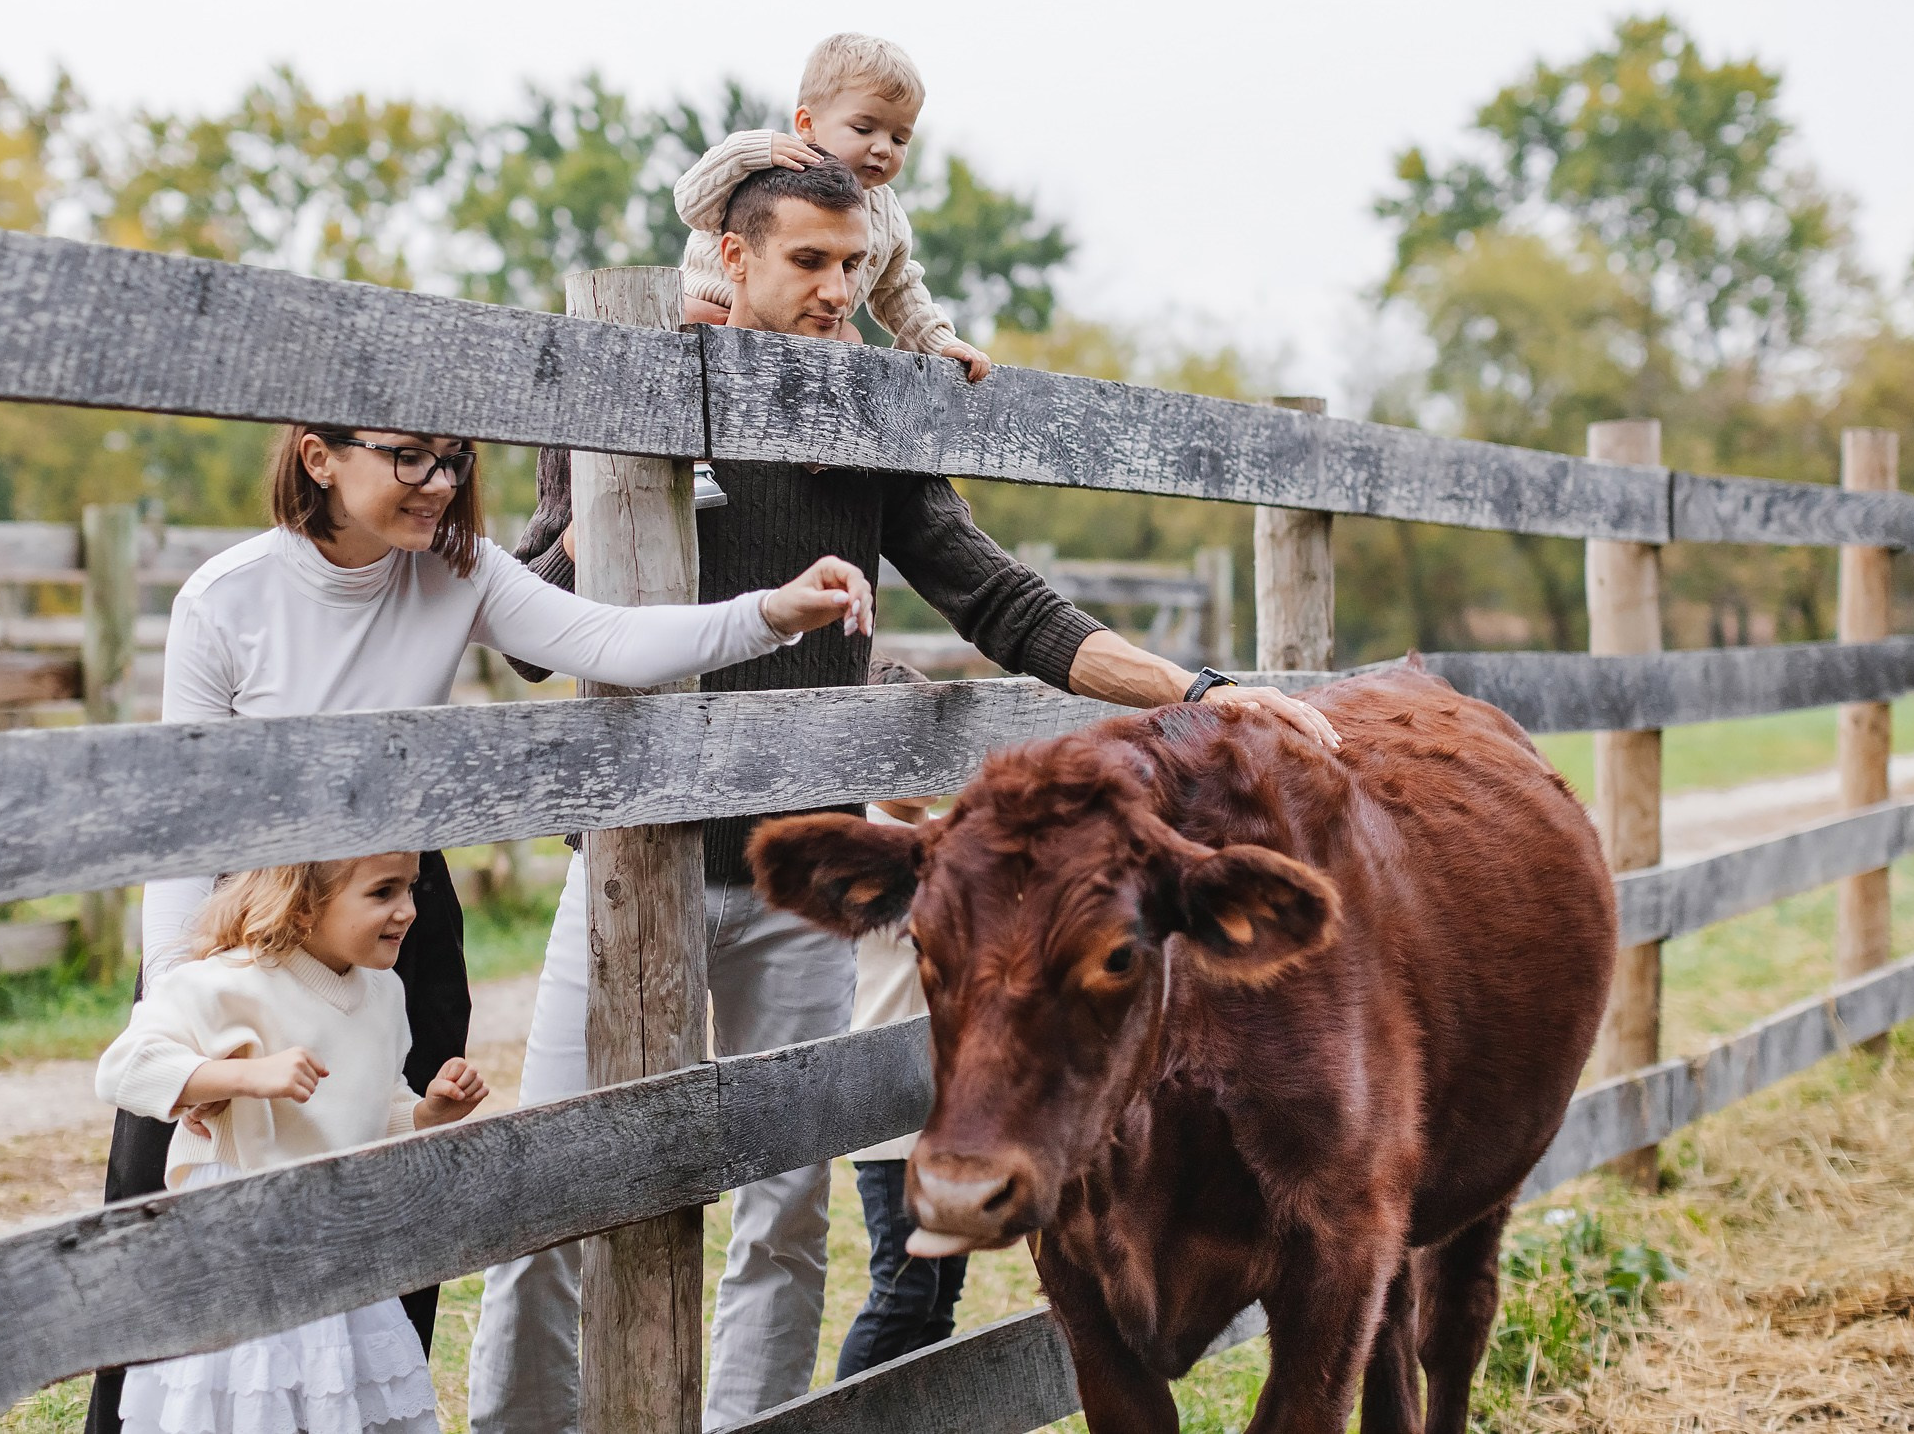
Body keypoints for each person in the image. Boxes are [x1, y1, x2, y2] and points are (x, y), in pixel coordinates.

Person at [472, 155, 1338, 1433]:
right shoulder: (624, 377)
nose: (836, 289)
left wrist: (1193, 689)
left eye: (855, 262)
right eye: (808, 262)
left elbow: (1000, 600)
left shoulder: (873, 416)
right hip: (631, 864)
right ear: (731, 254)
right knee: (555, 1184)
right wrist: (634, 464)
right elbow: (534, 631)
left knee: (784, 1204)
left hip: (802, 876)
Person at [83, 424, 876, 1434]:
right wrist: (178, 1003)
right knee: (166, 1212)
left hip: (397, 921)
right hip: (243, 927)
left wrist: (770, 612)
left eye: (453, 458)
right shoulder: (225, 598)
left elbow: (606, 642)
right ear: (319, 457)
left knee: (396, 1193)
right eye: (408, 457)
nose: (439, 483)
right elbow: (181, 823)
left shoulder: (456, 571)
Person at [96, 851, 491, 1434]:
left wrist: (428, 1113)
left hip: (339, 1248)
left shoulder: (383, 995)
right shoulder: (228, 983)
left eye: (410, 888)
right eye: (383, 893)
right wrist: (240, 1077)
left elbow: (378, 1107)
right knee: (253, 1403)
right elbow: (123, 1069)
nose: (409, 910)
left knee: (334, 1401)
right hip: (244, 1248)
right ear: (304, 906)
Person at [673, 32, 995, 382]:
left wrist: (936, 340)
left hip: (812, 321)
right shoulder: (774, 170)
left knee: (850, 341)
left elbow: (899, 286)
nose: (883, 148)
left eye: (899, 138)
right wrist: (747, 152)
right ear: (807, 124)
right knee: (682, 318)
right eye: (863, 128)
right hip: (714, 303)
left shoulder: (886, 215)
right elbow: (692, 204)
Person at [835, 660, 962, 1379]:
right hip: (890, 1109)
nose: (926, 765)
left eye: (934, 744)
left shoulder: (941, 843)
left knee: (941, 1297)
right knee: (903, 1288)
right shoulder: (865, 848)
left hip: (948, 1102)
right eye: (903, 747)